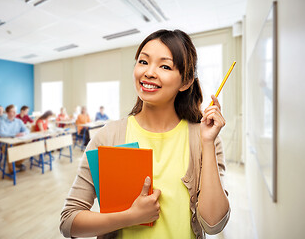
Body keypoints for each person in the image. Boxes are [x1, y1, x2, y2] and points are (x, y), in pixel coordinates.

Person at [60, 30, 230, 239]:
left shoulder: (204, 138)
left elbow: (213, 224)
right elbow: (69, 221)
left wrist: (207, 142)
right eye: (143, 61)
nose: (149, 72)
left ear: (185, 82)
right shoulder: (108, 136)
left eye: (165, 66)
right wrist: (130, 216)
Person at [0, 104, 29, 172]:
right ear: (7, 113)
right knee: (10, 151)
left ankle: (17, 163)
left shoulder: (19, 121)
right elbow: (1, 134)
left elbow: (27, 130)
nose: (15, 113)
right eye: (12, 111)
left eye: (15, 111)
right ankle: (11, 170)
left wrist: (24, 133)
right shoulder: (2, 122)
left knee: (28, 149)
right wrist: (15, 135)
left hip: (18, 141)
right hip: (6, 144)